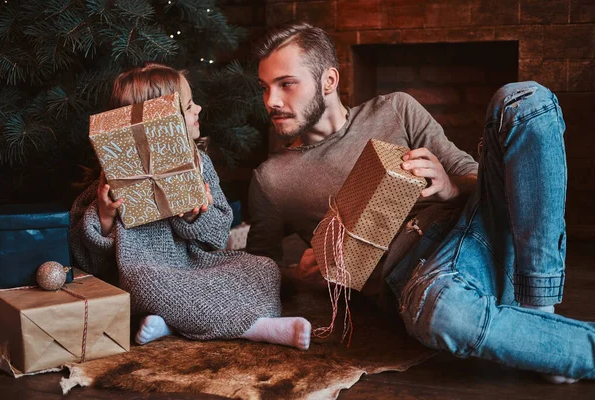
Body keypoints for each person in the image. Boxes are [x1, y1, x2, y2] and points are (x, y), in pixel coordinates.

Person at [247, 22, 595, 381]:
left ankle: (539, 307)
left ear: (328, 81)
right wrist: (300, 278)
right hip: (421, 277)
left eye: (286, 84)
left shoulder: (396, 109)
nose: (270, 101)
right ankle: (553, 346)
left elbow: (486, 182)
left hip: (477, 227)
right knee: (442, 312)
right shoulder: (272, 179)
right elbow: (256, 272)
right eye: (264, 88)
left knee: (525, 100)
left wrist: (449, 187)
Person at [70, 62, 311, 350]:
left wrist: (192, 217)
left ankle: (170, 323)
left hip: (195, 265)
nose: (198, 109)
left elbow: (219, 233)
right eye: (187, 106)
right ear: (159, 122)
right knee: (147, 285)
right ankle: (257, 327)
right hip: (148, 273)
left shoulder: (199, 164)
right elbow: (89, 261)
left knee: (264, 268)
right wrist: (106, 216)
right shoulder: (113, 178)